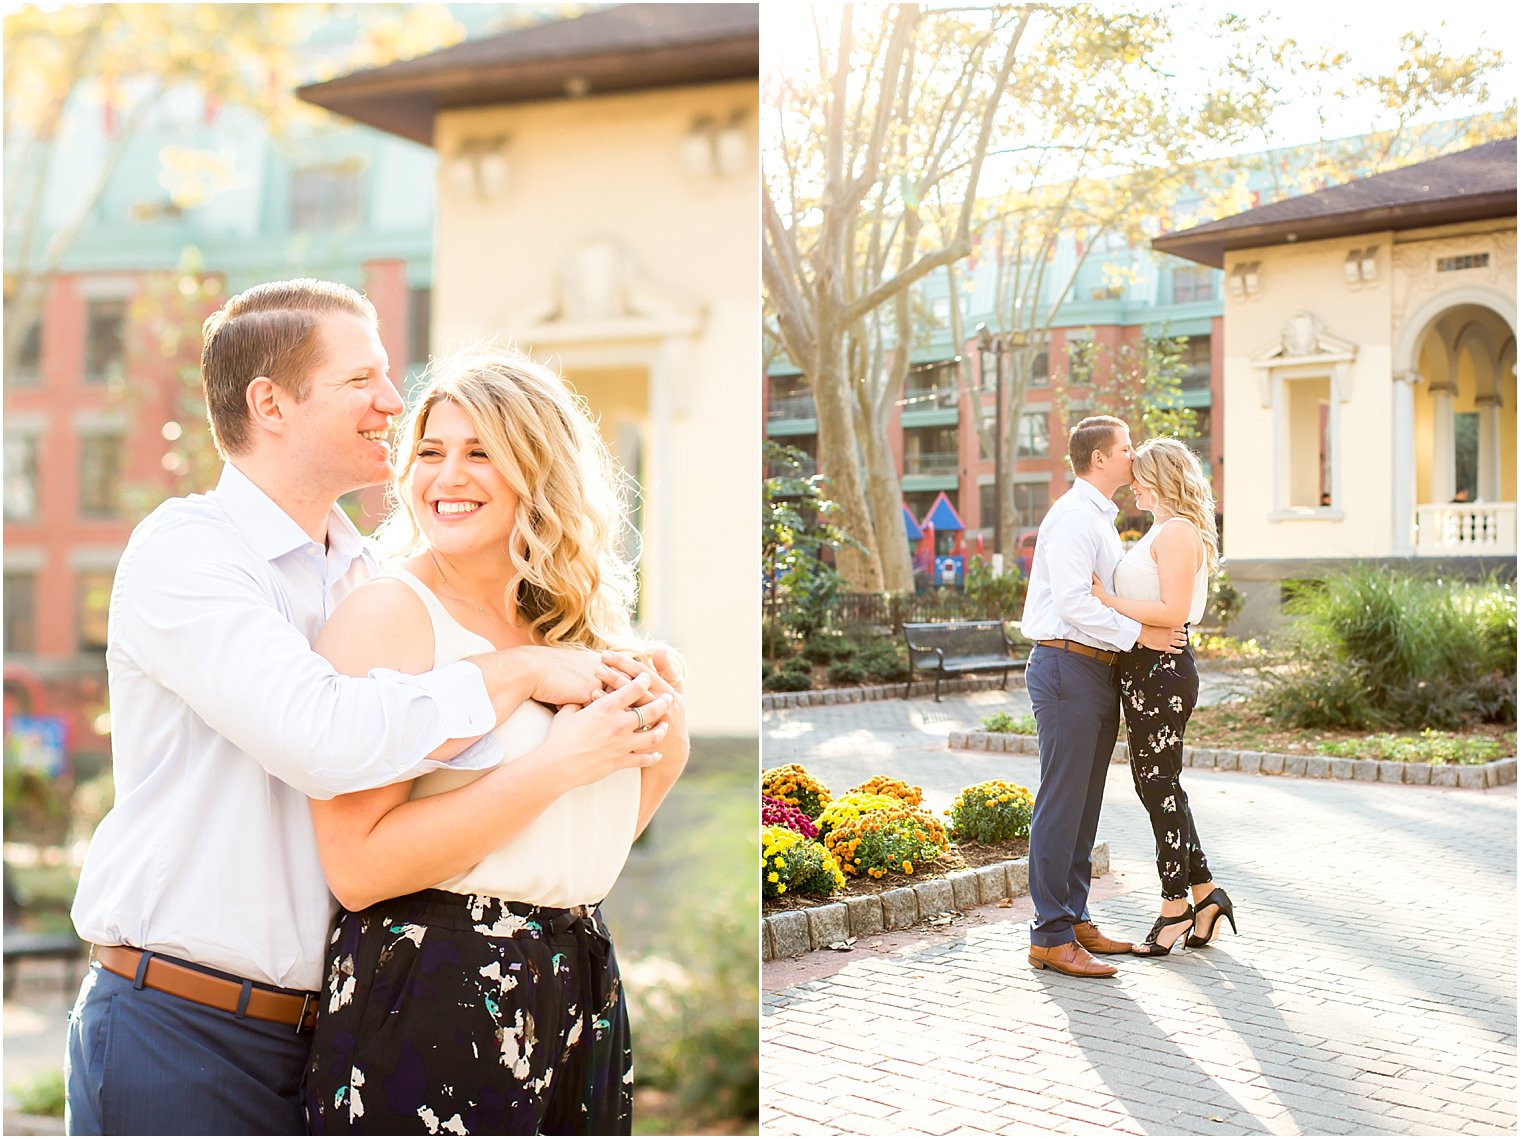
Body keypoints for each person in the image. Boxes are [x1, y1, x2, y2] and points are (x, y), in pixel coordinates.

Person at [64, 280, 666, 1136]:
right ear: (270, 402)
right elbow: (321, 737)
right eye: (364, 380)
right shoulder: (190, 554)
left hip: (342, 1021)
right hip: (187, 1022)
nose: (393, 401)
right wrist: (520, 671)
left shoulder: (364, 575)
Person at [300, 347, 689, 1134]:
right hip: (430, 986)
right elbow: (358, 867)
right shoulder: (390, 616)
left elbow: (584, 839)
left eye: (481, 452)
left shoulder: (574, 630)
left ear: (539, 471)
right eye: (431, 451)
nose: (447, 477)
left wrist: (661, 731)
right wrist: (557, 763)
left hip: (575, 974)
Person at [1018, 415, 1185, 979]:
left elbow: (1109, 598)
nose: (1133, 455)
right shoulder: (1071, 517)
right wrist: (1143, 634)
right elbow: (1074, 602)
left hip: (1094, 669)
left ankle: (1074, 917)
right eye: (1126, 447)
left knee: (1084, 804)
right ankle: (1049, 934)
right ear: (1098, 459)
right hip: (1066, 664)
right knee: (1062, 801)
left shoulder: (1100, 519)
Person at [1091, 437, 1236, 956]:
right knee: (1160, 785)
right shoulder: (1162, 529)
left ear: (1160, 479)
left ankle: (1174, 905)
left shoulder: (1176, 531)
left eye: (1139, 475)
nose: (1132, 482)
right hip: (1146, 667)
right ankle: (1206, 894)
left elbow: (1173, 611)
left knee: (1158, 788)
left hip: (1162, 669)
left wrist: (1106, 599)